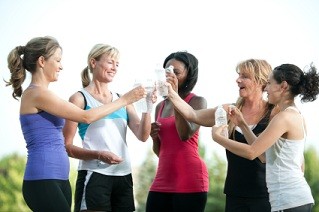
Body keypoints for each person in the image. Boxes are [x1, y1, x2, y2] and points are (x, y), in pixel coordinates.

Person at [5, 36, 146, 212]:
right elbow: (85, 117)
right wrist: (125, 99)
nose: (61, 66)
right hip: (42, 178)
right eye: (57, 60)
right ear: (42, 61)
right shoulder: (36, 94)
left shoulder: (45, 94)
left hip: (59, 179)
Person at [165, 59, 275, 211]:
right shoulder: (228, 110)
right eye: (238, 75)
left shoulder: (274, 114)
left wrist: (218, 138)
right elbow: (192, 115)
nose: (238, 80)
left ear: (261, 81)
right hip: (235, 194)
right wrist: (172, 93)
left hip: (268, 195)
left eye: (245, 76)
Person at [212, 63, 318, 211]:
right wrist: (242, 124)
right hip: (290, 201)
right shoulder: (290, 115)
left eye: (269, 83)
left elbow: (251, 152)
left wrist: (219, 138)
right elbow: (262, 156)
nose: (265, 88)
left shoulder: (284, 118)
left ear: (283, 86)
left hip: (290, 201)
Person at [63, 43, 155, 212]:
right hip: (94, 175)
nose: (114, 68)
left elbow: (142, 135)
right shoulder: (79, 98)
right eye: (110, 62)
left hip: (124, 176)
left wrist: (148, 106)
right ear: (93, 62)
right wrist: (98, 155)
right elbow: (66, 146)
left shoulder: (122, 99)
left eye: (117, 64)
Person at [145, 51, 209, 212]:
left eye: (176, 72)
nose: (169, 75)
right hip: (162, 179)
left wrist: (174, 97)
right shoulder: (160, 106)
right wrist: (154, 138)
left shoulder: (197, 101)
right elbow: (161, 152)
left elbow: (184, 134)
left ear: (189, 75)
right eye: (167, 71)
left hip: (190, 179)